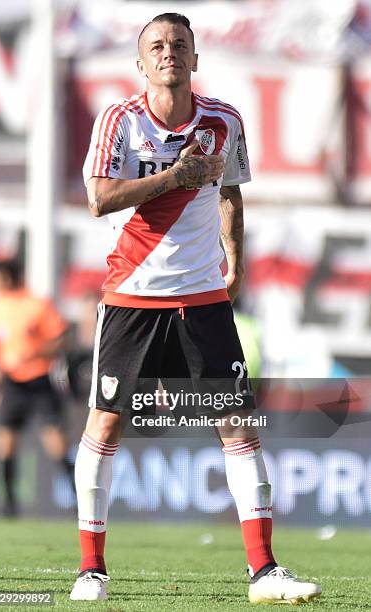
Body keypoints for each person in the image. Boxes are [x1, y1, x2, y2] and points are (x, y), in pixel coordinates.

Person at [71, 13, 322, 604]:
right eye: (157, 46)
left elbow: (229, 192)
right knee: (105, 424)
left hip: (204, 297)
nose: (169, 54)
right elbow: (99, 198)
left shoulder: (223, 120)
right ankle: (91, 570)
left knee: (236, 425)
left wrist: (235, 261)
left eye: (179, 45)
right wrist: (175, 177)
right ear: (141, 63)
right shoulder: (121, 122)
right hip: (133, 294)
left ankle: (264, 571)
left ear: (195, 58)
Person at [0, 259, 73, 516]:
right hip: (12, 383)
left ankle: (79, 500)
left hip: (39, 380)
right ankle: (9, 506)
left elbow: (62, 339)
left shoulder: (36, 304)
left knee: (55, 444)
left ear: (8, 276)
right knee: (4, 442)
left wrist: (34, 353)